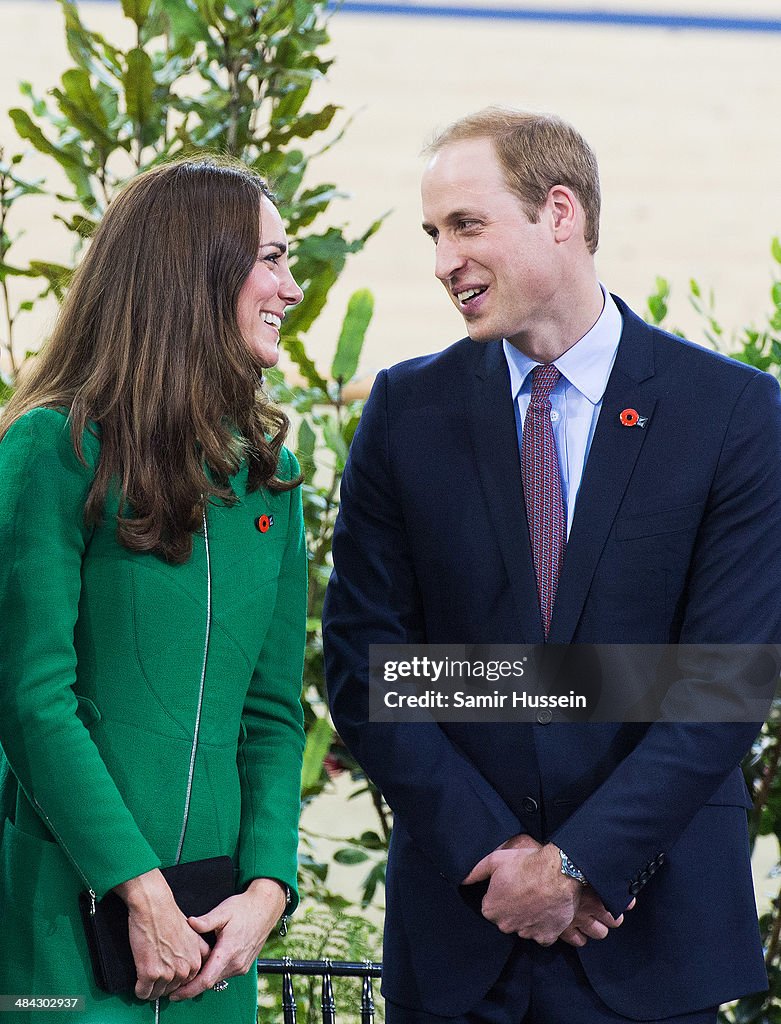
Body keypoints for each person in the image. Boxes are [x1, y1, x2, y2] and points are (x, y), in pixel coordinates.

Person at [323, 108, 781, 1024]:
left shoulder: (731, 413)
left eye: (466, 224)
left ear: (559, 213)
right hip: (463, 930)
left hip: (648, 939)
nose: (444, 259)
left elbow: (723, 685)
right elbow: (366, 669)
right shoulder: (405, 411)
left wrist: (575, 866)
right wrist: (500, 855)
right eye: (433, 234)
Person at [0, 157, 308, 1021]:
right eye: (271, 258)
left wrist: (267, 889)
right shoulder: (51, 451)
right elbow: (32, 700)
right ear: (193, 269)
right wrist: (137, 893)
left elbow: (274, 714)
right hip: (67, 926)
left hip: (218, 940)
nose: (289, 285)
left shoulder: (271, 479)